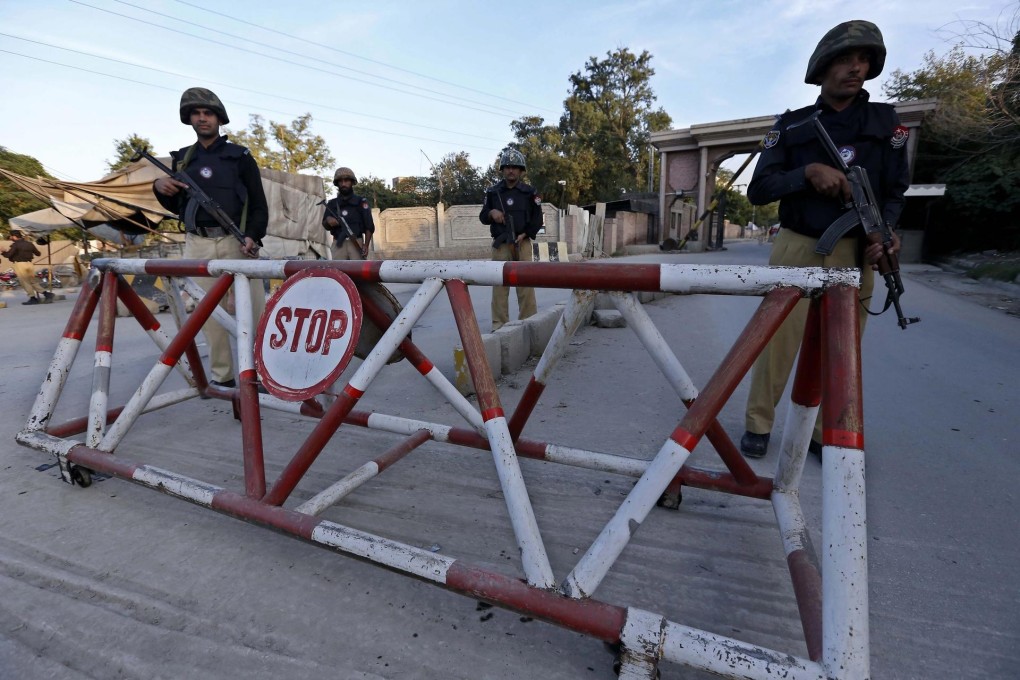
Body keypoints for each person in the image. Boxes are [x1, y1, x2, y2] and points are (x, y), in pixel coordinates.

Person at [740, 20, 909, 460]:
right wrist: (808, 174)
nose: (856, 68)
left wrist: (887, 235)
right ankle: (758, 422)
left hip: (858, 251)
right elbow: (759, 189)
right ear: (823, 66)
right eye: (846, 59)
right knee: (776, 341)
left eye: (864, 60)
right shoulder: (792, 126)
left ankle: (819, 432)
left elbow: (894, 192)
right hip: (800, 243)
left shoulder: (886, 123)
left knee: (841, 350)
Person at [152, 87, 269, 389]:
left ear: (219, 119)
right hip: (199, 242)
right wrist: (159, 187)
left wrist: (253, 236)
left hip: (237, 242)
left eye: (208, 113)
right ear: (189, 118)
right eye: (196, 113)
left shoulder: (240, 156)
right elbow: (176, 206)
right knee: (208, 314)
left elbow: (258, 204)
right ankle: (224, 377)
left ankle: (259, 373)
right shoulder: (181, 160)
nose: (202, 118)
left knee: (253, 312)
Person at [479, 149, 542, 331]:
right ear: (502, 170)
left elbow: (537, 218)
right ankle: (499, 326)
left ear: (521, 170)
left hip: (523, 243)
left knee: (526, 286)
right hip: (501, 245)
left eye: (515, 167)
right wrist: (492, 213)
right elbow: (483, 216)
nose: (511, 171)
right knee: (499, 286)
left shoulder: (530, 193)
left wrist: (526, 233)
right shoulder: (493, 192)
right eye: (507, 167)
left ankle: (530, 324)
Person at [321, 167, 374, 260]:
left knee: (358, 272)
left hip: (356, 242)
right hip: (338, 244)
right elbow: (325, 224)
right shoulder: (332, 204)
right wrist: (328, 221)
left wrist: (366, 245)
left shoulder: (361, 202)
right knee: (338, 272)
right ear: (337, 184)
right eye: (340, 181)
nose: (343, 184)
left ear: (352, 182)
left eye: (346, 181)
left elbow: (369, 226)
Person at [2, 230, 51, 305]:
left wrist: (3, 251)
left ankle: (33, 298)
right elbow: (38, 254)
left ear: (14, 237)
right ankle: (47, 294)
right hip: (29, 264)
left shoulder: (15, 245)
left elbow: (9, 255)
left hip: (20, 265)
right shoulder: (29, 244)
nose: (10, 238)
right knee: (33, 281)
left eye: (11, 236)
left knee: (25, 282)